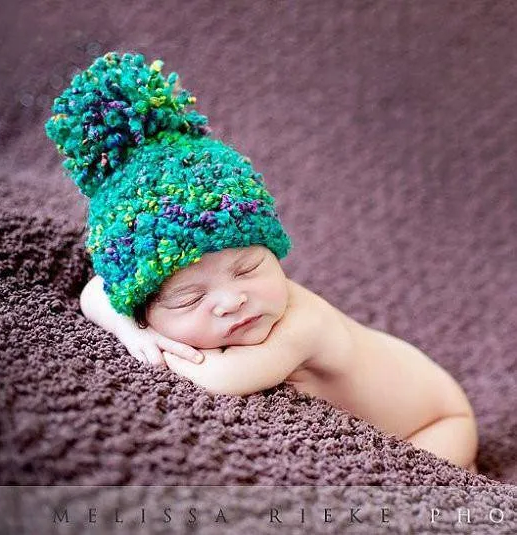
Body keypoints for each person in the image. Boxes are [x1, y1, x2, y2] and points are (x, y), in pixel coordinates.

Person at [46, 51, 478, 473]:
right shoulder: (151, 301)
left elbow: (221, 379)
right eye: (189, 297)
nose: (231, 300)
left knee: (416, 486)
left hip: (437, 418)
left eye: (248, 269)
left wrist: (154, 343)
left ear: (273, 251)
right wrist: (129, 326)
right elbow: (96, 290)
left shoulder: (301, 324)